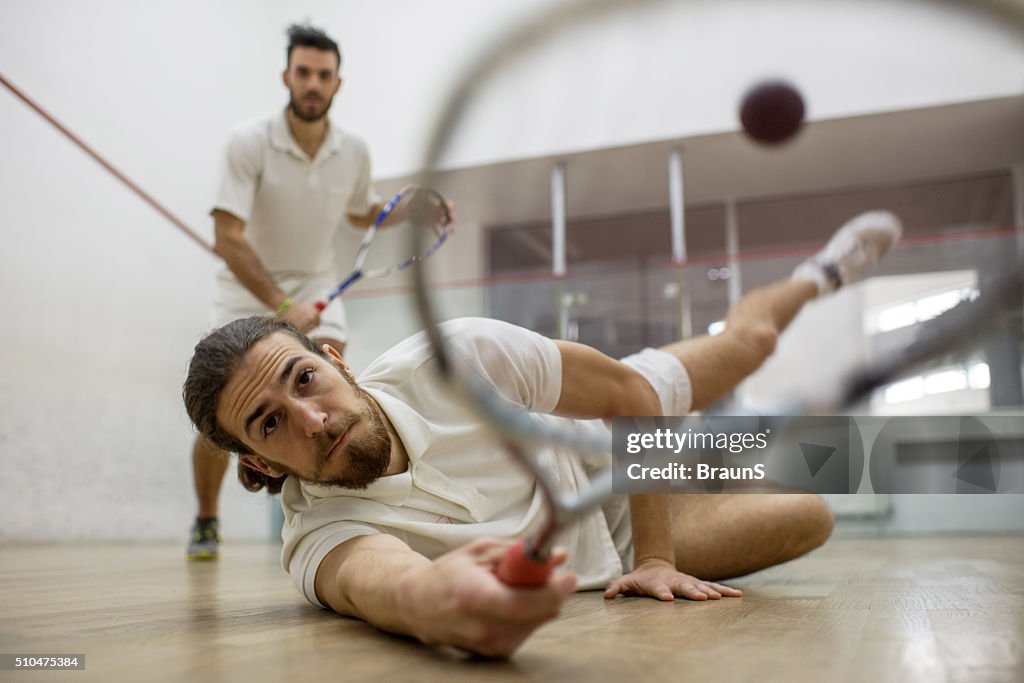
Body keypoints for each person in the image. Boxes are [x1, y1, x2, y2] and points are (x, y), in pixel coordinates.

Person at [182, 210, 902, 656]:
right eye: (270, 422)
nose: (311, 419)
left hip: (611, 440)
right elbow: (385, 585)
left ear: (335, 358)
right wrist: (436, 603)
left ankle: (820, 273)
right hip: (611, 540)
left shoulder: (457, 354)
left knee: (752, 343)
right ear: (260, 463)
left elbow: (627, 395)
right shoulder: (317, 536)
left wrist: (659, 558)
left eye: (304, 379)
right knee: (810, 510)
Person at [187, 23, 387, 560]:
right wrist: (281, 305)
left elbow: (361, 210)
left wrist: (398, 211)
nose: (313, 84)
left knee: (330, 384)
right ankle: (206, 520)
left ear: (337, 83)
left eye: (324, 75)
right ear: (286, 77)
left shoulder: (354, 151)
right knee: (219, 417)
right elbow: (228, 238)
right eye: (304, 73)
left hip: (317, 283)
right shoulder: (249, 143)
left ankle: (333, 513)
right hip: (247, 289)